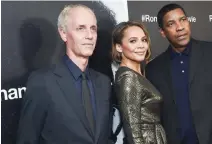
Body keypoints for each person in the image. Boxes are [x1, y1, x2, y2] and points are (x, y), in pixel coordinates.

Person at [145, 3, 212, 144]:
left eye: (183, 20)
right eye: (171, 24)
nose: (180, 27)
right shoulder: (153, 69)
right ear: (163, 32)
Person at [16, 4, 113, 144]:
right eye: (81, 28)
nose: (90, 36)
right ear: (63, 33)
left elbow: (105, 136)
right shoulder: (42, 81)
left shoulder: (104, 82)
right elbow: (27, 139)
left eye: (93, 29)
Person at [112, 21, 167, 144]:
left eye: (143, 40)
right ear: (119, 47)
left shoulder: (137, 75)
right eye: (133, 41)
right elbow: (133, 131)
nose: (141, 45)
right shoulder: (129, 78)